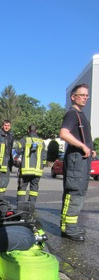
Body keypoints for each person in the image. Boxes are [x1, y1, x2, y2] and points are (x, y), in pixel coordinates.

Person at [60, 83, 96, 242]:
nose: (85, 98)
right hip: (76, 160)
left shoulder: (81, 115)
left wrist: (89, 148)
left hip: (82, 159)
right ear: (73, 97)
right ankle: (69, 228)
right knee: (74, 192)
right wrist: (82, 145)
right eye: (82, 95)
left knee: (78, 192)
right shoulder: (72, 114)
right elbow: (64, 133)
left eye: (87, 95)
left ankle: (70, 226)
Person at [16, 124, 46, 204]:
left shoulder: (24, 139)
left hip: (26, 170)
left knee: (22, 187)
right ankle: (31, 205)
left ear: (28, 131)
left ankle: (21, 205)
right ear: (36, 131)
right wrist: (42, 166)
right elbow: (44, 156)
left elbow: (17, 150)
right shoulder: (41, 141)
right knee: (34, 188)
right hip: (37, 170)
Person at [0, 120, 14, 199]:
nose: (7, 127)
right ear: (2, 126)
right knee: (0, 182)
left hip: (8, 163)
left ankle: (1, 198)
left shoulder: (10, 136)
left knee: (6, 182)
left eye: (8, 125)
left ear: (10, 126)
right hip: (1, 163)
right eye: (5, 125)